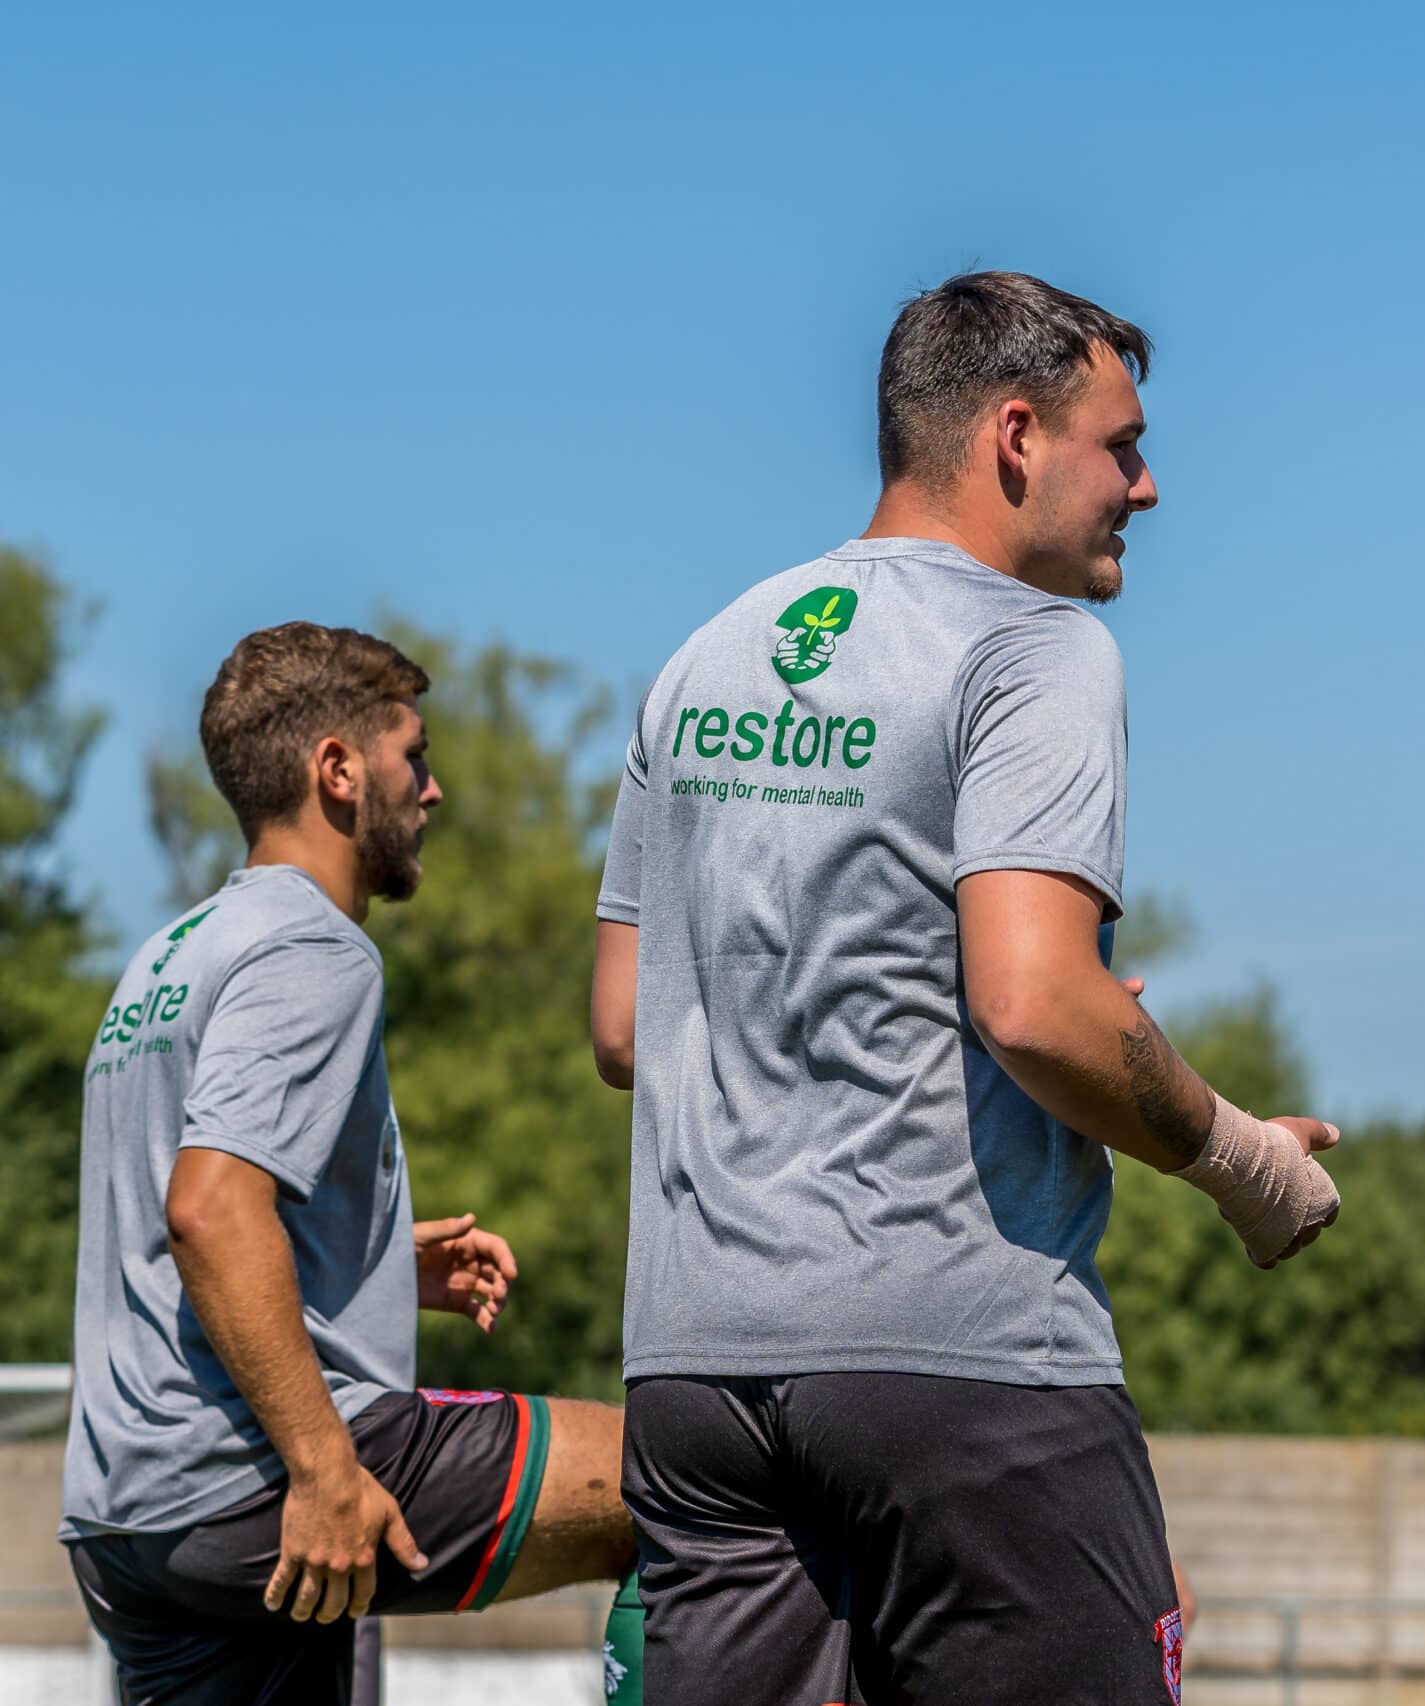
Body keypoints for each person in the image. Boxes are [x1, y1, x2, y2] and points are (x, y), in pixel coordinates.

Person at [590, 269, 1341, 1705]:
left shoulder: (702, 660)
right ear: (1015, 436)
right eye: (1120, 445)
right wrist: (1245, 1160)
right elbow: (1038, 1002)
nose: (1149, 485)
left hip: (694, 1382)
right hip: (962, 1369)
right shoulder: (1032, 646)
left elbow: (627, 1026)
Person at [60, 623, 637, 1705]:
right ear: (338, 767)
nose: (434, 789)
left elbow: (166, 1212)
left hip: (124, 1517)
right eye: (413, 755)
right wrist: (326, 1470)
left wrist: (364, 1264)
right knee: (687, 1482)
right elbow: (209, 1208)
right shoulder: (313, 946)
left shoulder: (169, 954)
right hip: (253, 1481)